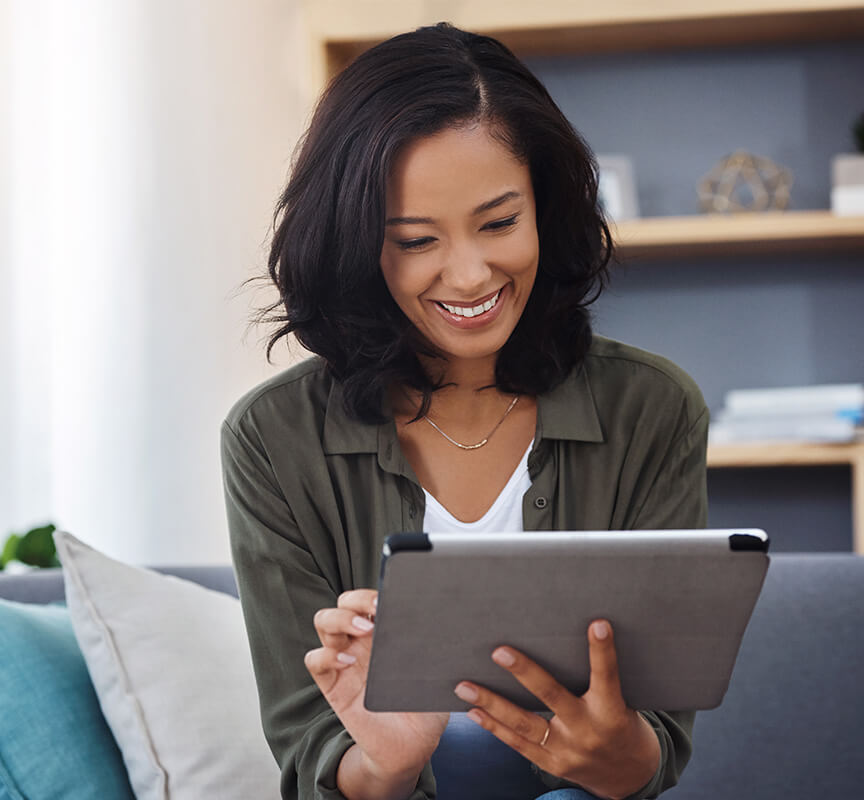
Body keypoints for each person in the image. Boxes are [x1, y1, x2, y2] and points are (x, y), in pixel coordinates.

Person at [221, 22, 708, 800]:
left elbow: (653, 758)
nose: (470, 273)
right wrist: (390, 759)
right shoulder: (272, 440)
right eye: (416, 240)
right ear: (355, 245)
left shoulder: (652, 408)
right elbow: (310, 760)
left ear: (546, 209)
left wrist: (615, 753)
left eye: (499, 222)